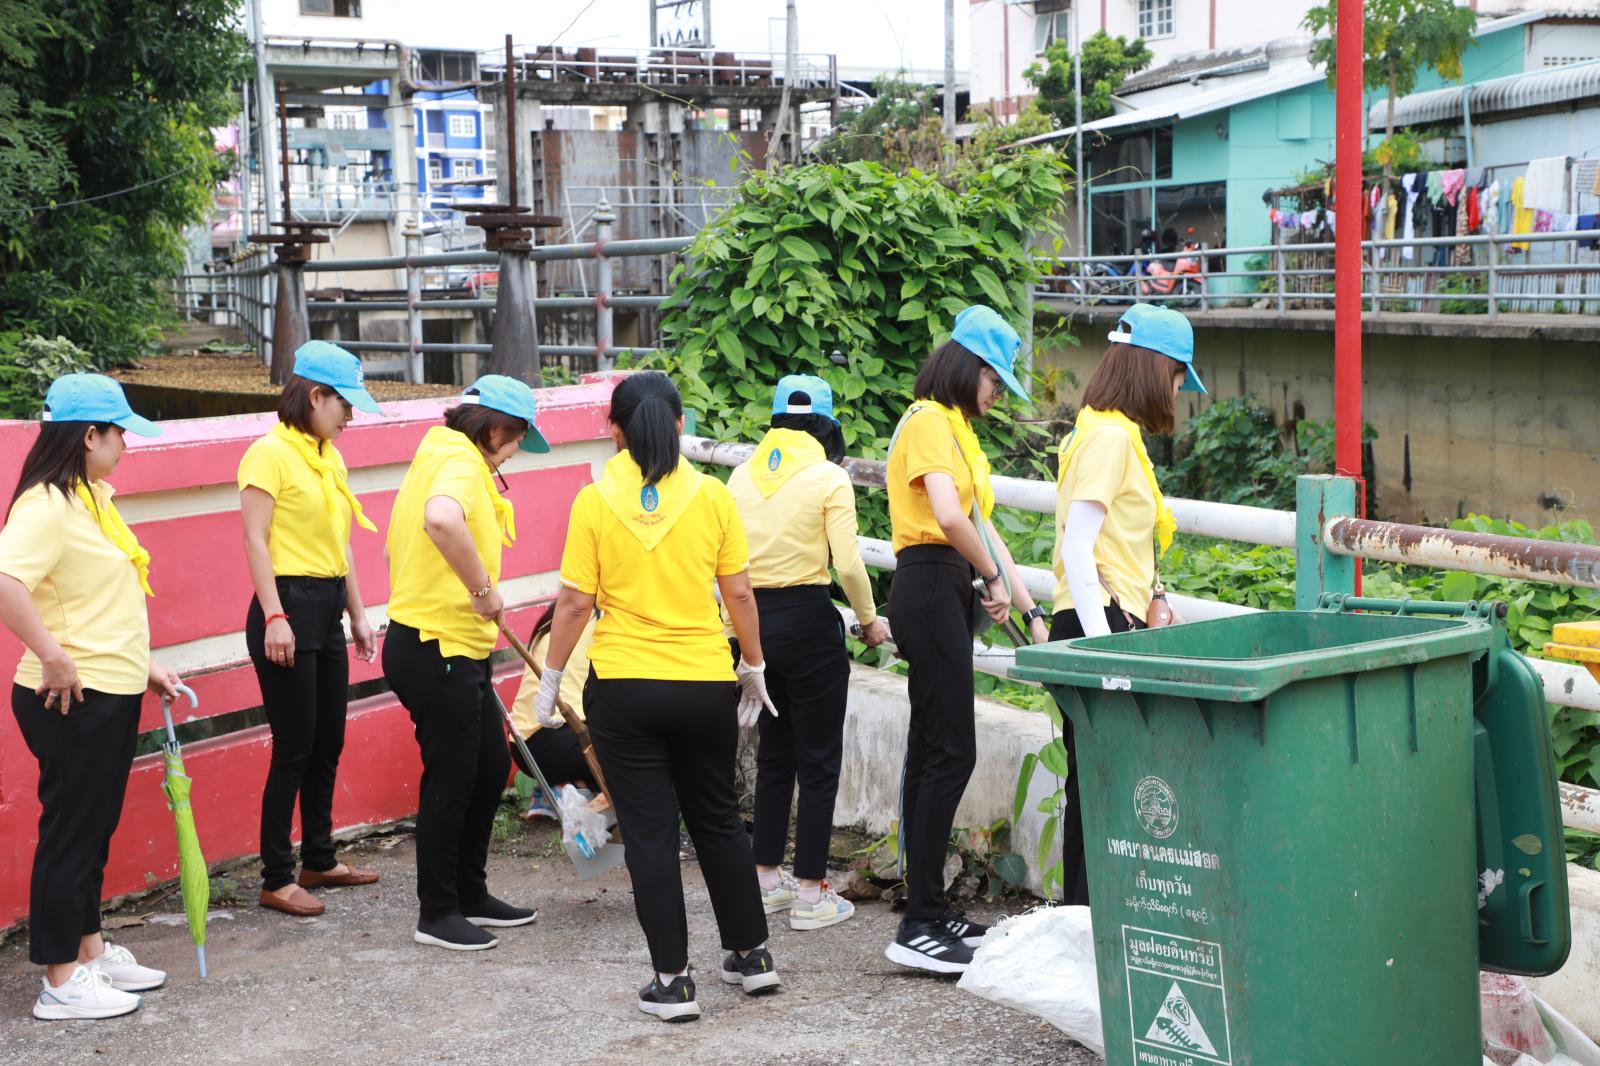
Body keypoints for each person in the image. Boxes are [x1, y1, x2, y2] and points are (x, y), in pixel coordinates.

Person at [537, 370, 781, 1022]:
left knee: (649, 832)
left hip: (625, 689)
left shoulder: (594, 501)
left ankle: (673, 984)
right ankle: (752, 956)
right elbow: (739, 593)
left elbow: (574, 602)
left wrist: (552, 676)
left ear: (613, 430)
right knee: (718, 818)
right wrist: (753, 664)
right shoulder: (713, 496)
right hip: (704, 684)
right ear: (678, 424)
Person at [0, 374, 182, 1020]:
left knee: (92, 830)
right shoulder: (46, 504)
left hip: (110, 685)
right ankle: (60, 980)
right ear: (88, 436)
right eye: (119, 433)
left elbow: (96, 599)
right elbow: (6, 581)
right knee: (72, 835)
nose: (125, 444)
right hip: (73, 696)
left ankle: (89, 952)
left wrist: (143, 665)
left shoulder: (89, 497)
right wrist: (52, 655)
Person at [882, 305, 1050, 975]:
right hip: (929, 583)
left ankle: (929, 906)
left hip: (948, 586)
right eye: (994, 379)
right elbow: (949, 518)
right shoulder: (928, 420)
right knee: (950, 750)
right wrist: (990, 579)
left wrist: (1030, 610)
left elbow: (982, 526)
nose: (997, 393)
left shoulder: (957, 430)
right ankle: (919, 921)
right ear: (967, 366)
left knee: (937, 750)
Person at [383, 375, 548, 952]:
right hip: (436, 645)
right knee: (453, 777)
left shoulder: (440, 451)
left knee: (487, 766)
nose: (516, 452)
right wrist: (482, 590)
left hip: (452, 645)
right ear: (495, 429)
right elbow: (442, 520)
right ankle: (437, 911)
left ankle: (470, 892)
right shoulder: (457, 461)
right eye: (518, 439)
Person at [1051, 304, 1204, 905]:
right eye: (1177, 377)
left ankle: (1084, 923)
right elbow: (1078, 546)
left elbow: (1107, 543)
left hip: (1098, 619)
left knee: (1094, 787)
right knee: (1108, 790)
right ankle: (1092, 923)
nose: (1177, 391)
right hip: (1099, 625)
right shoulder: (1112, 438)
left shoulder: (1098, 429)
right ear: (1155, 369)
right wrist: (1106, 654)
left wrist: (1152, 601)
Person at [727, 374, 887, 932]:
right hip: (809, 624)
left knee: (775, 753)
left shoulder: (739, 476)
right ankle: (812, 893)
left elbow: (724, 564)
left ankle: (766, 878)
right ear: (825, 427)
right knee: (818, 761)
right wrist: (869, 620)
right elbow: (848, 563)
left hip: (752, 626)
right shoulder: (828, 477)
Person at [239, 341, 384, 918]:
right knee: (294, 747)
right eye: (345, 405)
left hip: (326, 606)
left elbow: (339, 544)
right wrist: (275, 615)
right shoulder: (268, 454)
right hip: (287, 605)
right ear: (316, 396)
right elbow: (255, 539)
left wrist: (358, 612)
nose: (350, 417)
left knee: (328, 741)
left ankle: (319, 858)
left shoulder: (328, 457)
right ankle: (277, 876)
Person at [508, 606, 597, 817]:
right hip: (560, 740)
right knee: (634, 745)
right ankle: (572, 791)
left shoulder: (558, 615)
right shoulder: (604, 619)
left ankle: (565, 788)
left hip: (522, 745)